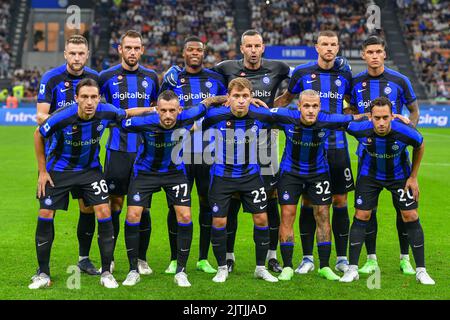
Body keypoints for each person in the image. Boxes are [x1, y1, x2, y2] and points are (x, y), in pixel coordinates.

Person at [29, 78, 153, 289]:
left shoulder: (106, 111)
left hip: (90, 171)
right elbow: (38, 135)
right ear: (76, 98)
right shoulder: (63, 116)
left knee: (104, 211)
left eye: (93, 97)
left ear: (99, 98)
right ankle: (43, 273)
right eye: (84, 97)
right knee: (45, 214)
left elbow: (128, 113)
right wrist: (42, 171)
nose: (89, 102)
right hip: (59, 170)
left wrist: (154, 109)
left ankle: (106, 272)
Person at [274, 30, 354, 274]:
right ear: (316, 47)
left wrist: (349, 118)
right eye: (324, 44)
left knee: (339, 202)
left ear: (338, 48)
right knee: (308, 204)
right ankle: (307, 259)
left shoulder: (345, 73)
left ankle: (341, 258)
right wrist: (265, 111)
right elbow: (286, 99)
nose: (329, 48)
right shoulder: (302, 73)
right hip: (306, 149)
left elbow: (350, 106)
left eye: (333, 44)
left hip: (337, 147)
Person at [120, 90, 212, 287]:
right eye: (163, 111)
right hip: (145, 173)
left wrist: (228, 98)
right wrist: (146, 109)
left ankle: (181, 271)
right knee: (133, 215)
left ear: (180, 110)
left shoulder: (188, 116)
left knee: (185, 216)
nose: (168, 115)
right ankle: (133, 270)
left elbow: (208, 101)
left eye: (172, 110)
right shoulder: (143, 122)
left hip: (174, 172)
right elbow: (122, 116)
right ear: (157, 110)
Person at [340, 97, 434, 285]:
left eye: (385, 117)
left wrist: (413, 177)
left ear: (392, 116)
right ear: (370, 117)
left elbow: (420, 145)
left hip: (399, 175)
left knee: (410, 215)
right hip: (370, 175)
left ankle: (421, 271)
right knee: (362, 215)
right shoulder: (358, 128)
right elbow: (343, 121)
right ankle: (352, 269)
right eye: (376, 118)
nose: (381, 122)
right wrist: (358, 116)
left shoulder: (405, 131)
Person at [271, 90, 364, 281]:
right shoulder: (286, 116)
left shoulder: (328, 119)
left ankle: (324, 266)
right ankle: (288, 266)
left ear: (320, 107)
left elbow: (358, 117)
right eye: (306, 106)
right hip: (290, 173)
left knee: (322, 215)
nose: (311, 110)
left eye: (315, 106)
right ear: (299, 107)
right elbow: (260, 112)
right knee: (288, 215)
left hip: (318, 173)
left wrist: (395, 118)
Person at [349, 35, 420, 275]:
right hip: (367, 155)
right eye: (370, 52)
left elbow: (413, 111)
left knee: (404, 209)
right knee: (369, 210)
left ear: (384, 54)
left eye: (379, 51)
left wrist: (409, 126)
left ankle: (405, 258)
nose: (375, 56)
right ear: (363, 55)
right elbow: (349, 109)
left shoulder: (400, 80)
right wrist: (359, 118)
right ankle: (371, 259)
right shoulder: (356, 82)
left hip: (397, 156)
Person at [159, 36, 227, 275]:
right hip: (178, 152)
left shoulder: (217, 79)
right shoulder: (172, 79)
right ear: (183, 53)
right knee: (176, 206)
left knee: (207, 203)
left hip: (210, 151)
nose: (195, 52)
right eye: (190, 49)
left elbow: (230, 101)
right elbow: (160, 109)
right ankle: (173, 258)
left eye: (199, 49)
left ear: (204, 52)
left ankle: (202, 258)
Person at [202, 77, 278, 283]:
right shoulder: (215, 115)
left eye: (245, 96)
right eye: (236, 96)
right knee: (219, 221)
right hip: (221, 177)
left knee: (262, 219)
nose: (241, 100)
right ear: (229, 98)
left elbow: (286, 119)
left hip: (251, 177)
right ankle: (221, 268)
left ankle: (260, 268)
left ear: (251, 97)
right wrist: (211, 101)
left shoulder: (261, 115)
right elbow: (192, 120)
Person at [36, 34, 100, 275]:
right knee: (46, 211)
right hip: (57, 158)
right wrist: (66, 116)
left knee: (88, 209)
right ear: (65, 54)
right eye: (72, 53)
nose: (76, 57)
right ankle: (43, 269)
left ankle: (84, 259)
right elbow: (40, 117)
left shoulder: (94, 79)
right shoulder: (51, 78)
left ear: (87, 54)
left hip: (86, 159)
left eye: (80, 53)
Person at [99, 30, 159, 274]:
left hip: (144, 152)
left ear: (142, 50)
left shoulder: (152, 76)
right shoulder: (106, 76)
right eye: (128, 48)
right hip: (117, 150)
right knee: (115, 203)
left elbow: (157, 109)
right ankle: (110, 258)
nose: (133, 52)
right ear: (120, 49)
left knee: (142, 207)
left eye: (137, 48)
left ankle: (141, 259)